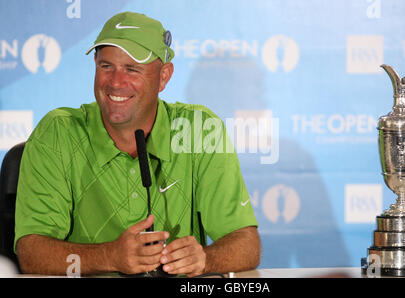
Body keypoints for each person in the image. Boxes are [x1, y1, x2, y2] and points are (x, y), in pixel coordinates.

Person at [14, 12, 260, 277]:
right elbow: (32, 253)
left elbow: (247, 244)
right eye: (106, 66)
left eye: (132, 69)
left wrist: (204, 259)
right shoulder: (57, 132)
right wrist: (110, 256)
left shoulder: (199, 129)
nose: (116, 82)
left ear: (164, 76)